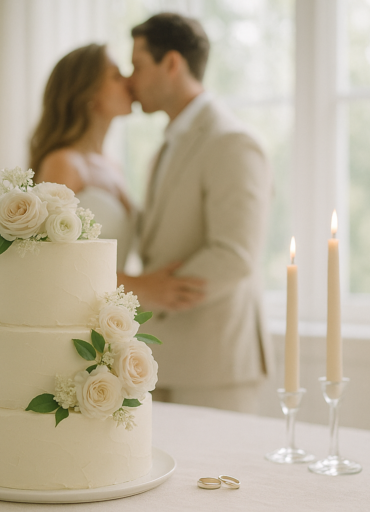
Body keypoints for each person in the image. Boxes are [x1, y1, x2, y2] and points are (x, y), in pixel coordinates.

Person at [118, 13, 273, 414]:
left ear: (172, 63)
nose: (130, 80)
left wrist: (147, 294)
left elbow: (234, 255)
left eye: (137, 65)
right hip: (164, 360)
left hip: (215, 366)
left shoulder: (232, 142)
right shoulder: (166, 147)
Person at [30, 44, 136, 270]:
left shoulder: (114, 164)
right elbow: (50, 263)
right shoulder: (63, 163)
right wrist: (147, 285)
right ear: (89, 93)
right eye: (116, 76)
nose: (129, 81)